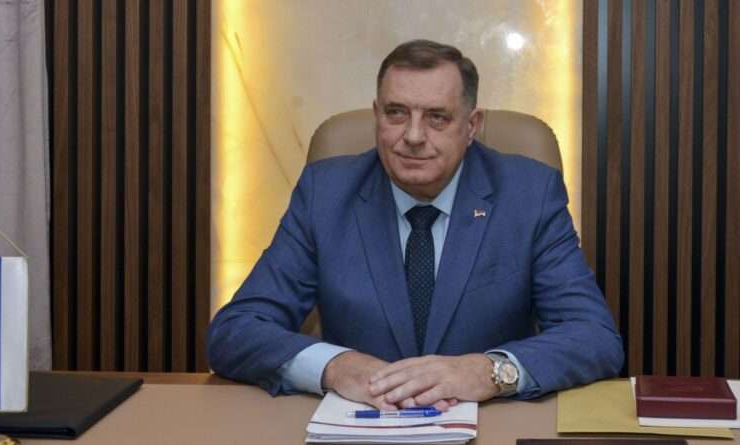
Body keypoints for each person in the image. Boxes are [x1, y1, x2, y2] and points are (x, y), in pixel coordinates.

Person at [207, 39, 623, 410]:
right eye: (396, 113)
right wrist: (334, 366)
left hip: (489, 426)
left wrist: (490, 372)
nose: (413, 135)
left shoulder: (528, 194)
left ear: (472, 126)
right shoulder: (326, 194)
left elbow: (594, 337)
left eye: (437, 117)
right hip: (358, 426)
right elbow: (235, 331)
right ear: (376, 115)